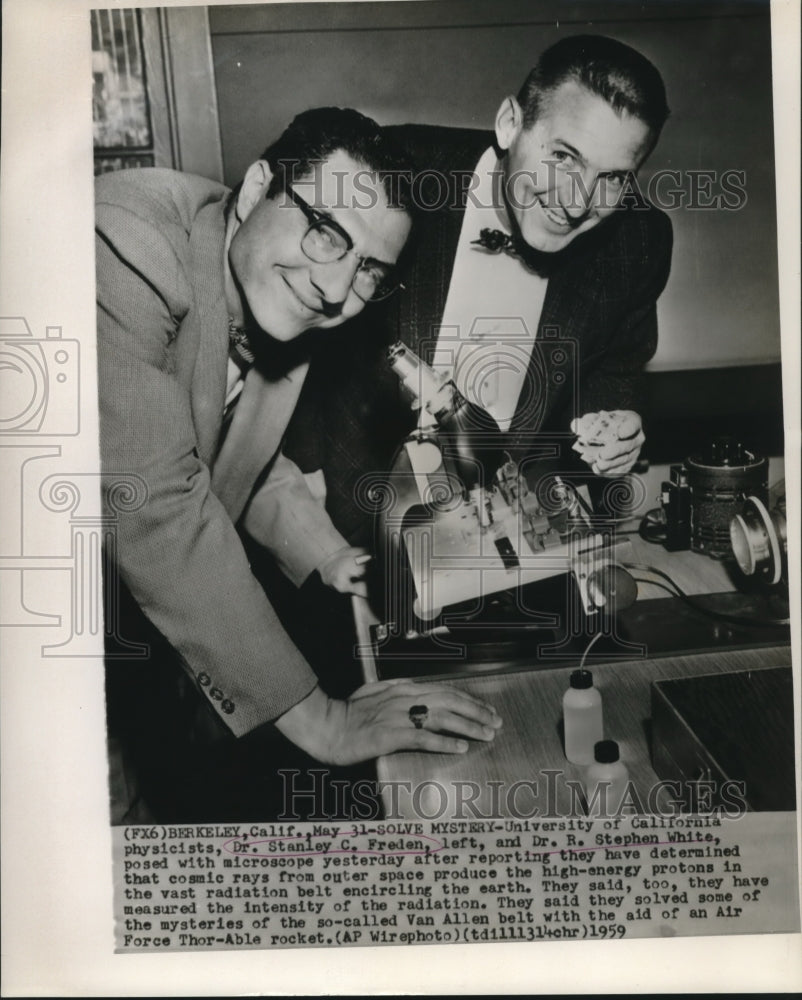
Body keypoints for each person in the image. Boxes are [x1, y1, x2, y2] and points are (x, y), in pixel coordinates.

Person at [97, 107, 501, 823]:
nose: (337, 289)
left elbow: (226, 449)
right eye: (326, 232)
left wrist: (328, 554)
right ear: (257, 188)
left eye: (369, 269)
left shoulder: (275, 290)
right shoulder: (125, 242)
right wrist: (324, 720)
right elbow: (155, 502)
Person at [283, 35, 674, 544]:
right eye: (564, 156)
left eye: (614, 178)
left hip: (509, 534)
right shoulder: (391, 175)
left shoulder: (638, 240)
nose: (578, 204)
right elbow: (295, 324)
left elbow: (615, 369)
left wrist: (615, 428)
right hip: (345, 512)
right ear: (510, 123)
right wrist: (306, 517)